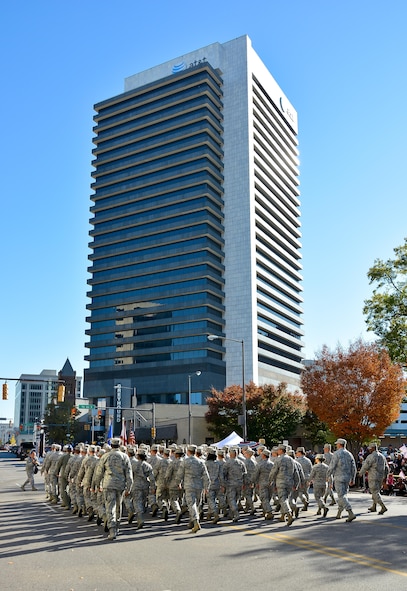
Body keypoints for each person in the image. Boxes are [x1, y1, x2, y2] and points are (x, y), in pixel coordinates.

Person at [94, 437, 133, 540]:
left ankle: (112, 530)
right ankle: (117, 526)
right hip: (120, 485)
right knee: (118, 506)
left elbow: (99, 473)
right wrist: (129, 488)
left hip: (108, 484)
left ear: (111, 445)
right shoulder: (124, 457)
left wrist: (98, 485)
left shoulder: (105, 456)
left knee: (110, 507)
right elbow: (129, 474)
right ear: (119, 445)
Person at [178, 444, 210, 533]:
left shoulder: (185, 461)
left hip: (189, 486)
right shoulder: (201, 462)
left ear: (188, 452)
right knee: (197, 504)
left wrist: (178, 483)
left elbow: (180, 474)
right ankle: (192, 521)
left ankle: (196, 522)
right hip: (199, 486)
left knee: (191, 504)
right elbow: (206, 476)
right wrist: (207, 487)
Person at [326, 438, 357, 522]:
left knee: (341, 496)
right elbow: (353, 467)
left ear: (340, 444)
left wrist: (328, 475)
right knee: (343, 495)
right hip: (347, 477)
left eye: (337, 444)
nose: (336, 445)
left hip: (339, 477)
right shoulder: (349, 454)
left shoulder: (337, 453)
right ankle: (339, 513)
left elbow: (332, 465)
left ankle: (350, 512)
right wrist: (353, 478)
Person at [269, 444, 296, 526]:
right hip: (290, 481)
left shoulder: (278, 459)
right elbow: (295, 471)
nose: (277, 451)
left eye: (278, 450)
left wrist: (270, 480)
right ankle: (283, 516)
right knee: (286, 498)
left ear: (281, 450)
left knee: (283, 499)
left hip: (281, 481)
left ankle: (289, 514)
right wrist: (296, 482)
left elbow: (274, 471)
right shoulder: (291, 459)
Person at [358, 442, 389, 514]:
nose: (369, 450)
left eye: (370, 449)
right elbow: (387, 467)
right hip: (381, 476)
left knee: (374, 492)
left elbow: (366, 466)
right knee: (376, 491)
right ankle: (374, 506)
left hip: (373, 476)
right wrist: (385, 477)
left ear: (373, 448)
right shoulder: (382, 456)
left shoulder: (371, 456)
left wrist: (360, 473)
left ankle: (383, 506)